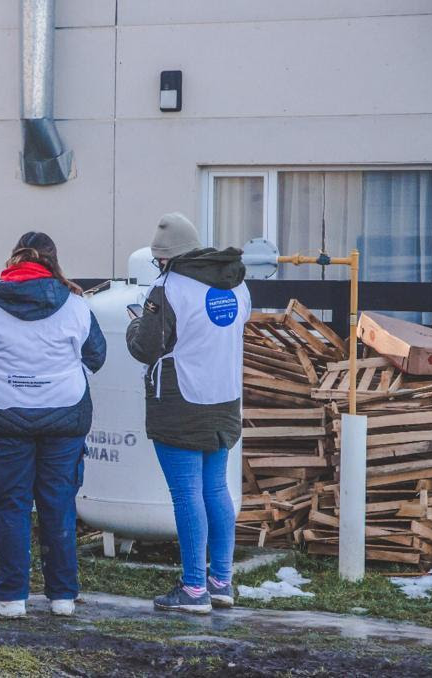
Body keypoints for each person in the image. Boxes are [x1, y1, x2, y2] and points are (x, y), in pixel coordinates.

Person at [0, 232, 106, 619]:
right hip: (65, 416)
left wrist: (0, 374)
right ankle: (63, 597)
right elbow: (97, 356)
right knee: (58, 504)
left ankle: (10, 598)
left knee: (12, 506)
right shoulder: (75, 304)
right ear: (53, 262)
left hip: (5, 416)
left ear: (14, 260)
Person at [126, 213, 250, 614]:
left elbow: (146, 347)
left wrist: (135, 325)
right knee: (215, 488)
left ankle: (193, 588)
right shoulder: (236, 284)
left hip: (181, 401)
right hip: (225, 399)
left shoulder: (169, 287)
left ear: (166, 257)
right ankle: (220, 582)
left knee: (186, 494)